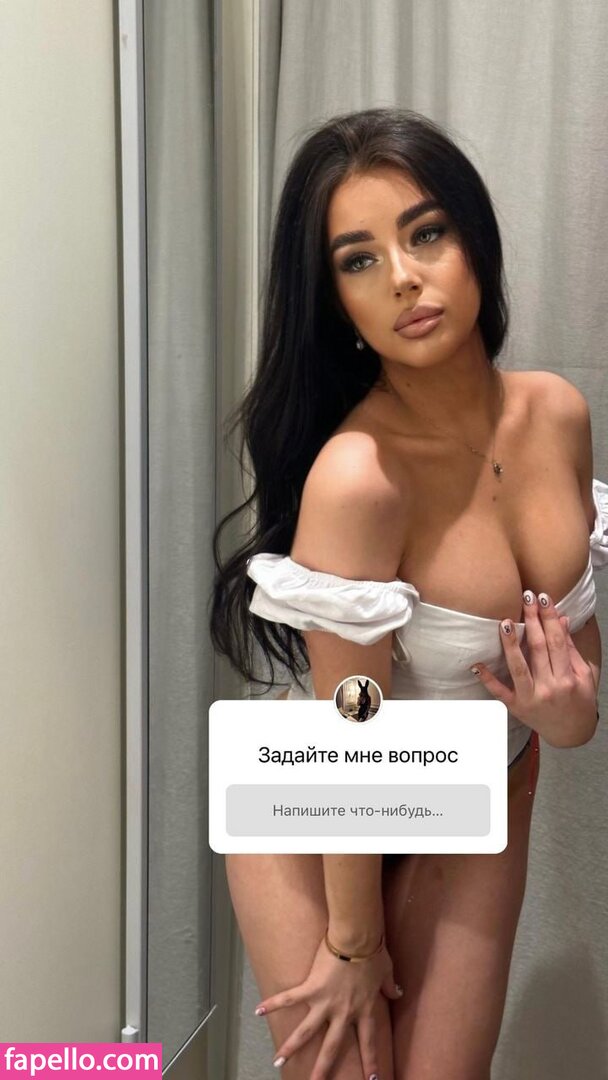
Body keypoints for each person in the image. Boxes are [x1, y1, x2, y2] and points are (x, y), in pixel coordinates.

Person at [210, 108, 606, 1079]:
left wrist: (568, 718)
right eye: (358, 259)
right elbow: (352, 723)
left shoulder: (558, 415)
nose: (401, 277)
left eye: (425, 233)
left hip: (479, 780)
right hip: (323, 790)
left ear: (474, 239)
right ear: (334, 299)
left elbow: (573, 676)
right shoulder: (359, 477)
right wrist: (353, 948)